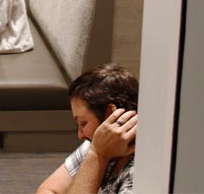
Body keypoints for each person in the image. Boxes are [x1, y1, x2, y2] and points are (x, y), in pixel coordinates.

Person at [36, 63, 138, 194]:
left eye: (83, 123)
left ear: (110, 114)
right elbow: (48, 189)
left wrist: (97, 154)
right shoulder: (98, 144)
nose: (80, 135)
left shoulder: (138, 173)